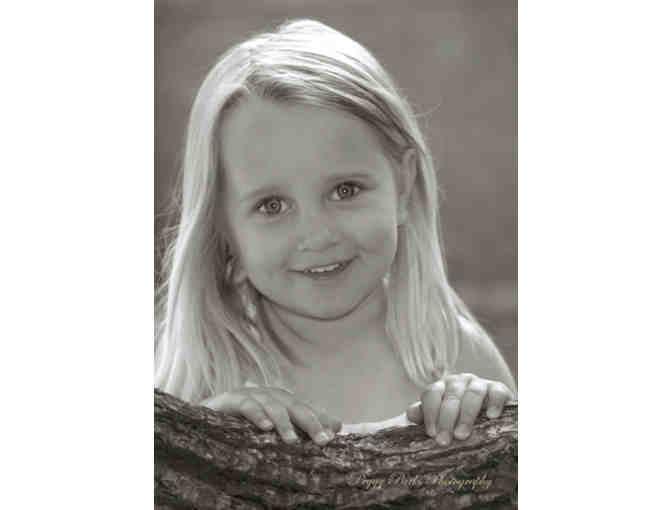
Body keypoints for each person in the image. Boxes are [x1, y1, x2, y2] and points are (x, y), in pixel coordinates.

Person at [155, 19, 516, 447]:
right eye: (272, 206)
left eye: (345, 190)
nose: (318, 235)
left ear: (402, 185)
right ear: (223, 231)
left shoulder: (453, 355)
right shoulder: (204, 378)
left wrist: (486, 427)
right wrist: (205, 440)